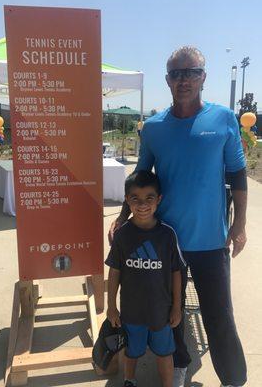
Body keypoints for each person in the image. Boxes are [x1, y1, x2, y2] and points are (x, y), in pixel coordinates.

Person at [109, 46, 247, 387]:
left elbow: (239, 174)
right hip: (166, 241)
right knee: (173, 313)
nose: (183, 79)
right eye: (176, 73)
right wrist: (122, 217)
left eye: (191, 72)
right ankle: (180, 363)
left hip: (211, 240)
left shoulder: (224, 118)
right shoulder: (154, 128)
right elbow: (141, 175)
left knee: (219, 315)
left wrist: (239, 225)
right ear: (167, 80)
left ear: (203, 76)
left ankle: (233, 378)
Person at [106, 170, 185, 387]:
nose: (142, 205)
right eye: (135, 199)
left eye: (149, 198)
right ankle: (129, 380)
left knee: (164, 353)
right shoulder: (122, 235)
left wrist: (177, 307)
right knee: (132, 352)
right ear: (127, 201)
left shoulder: (168, 235)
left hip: (161, 312)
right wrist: (111, 306)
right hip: (131, 312)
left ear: (158, 199)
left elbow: (176, 272)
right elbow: (114, 272)